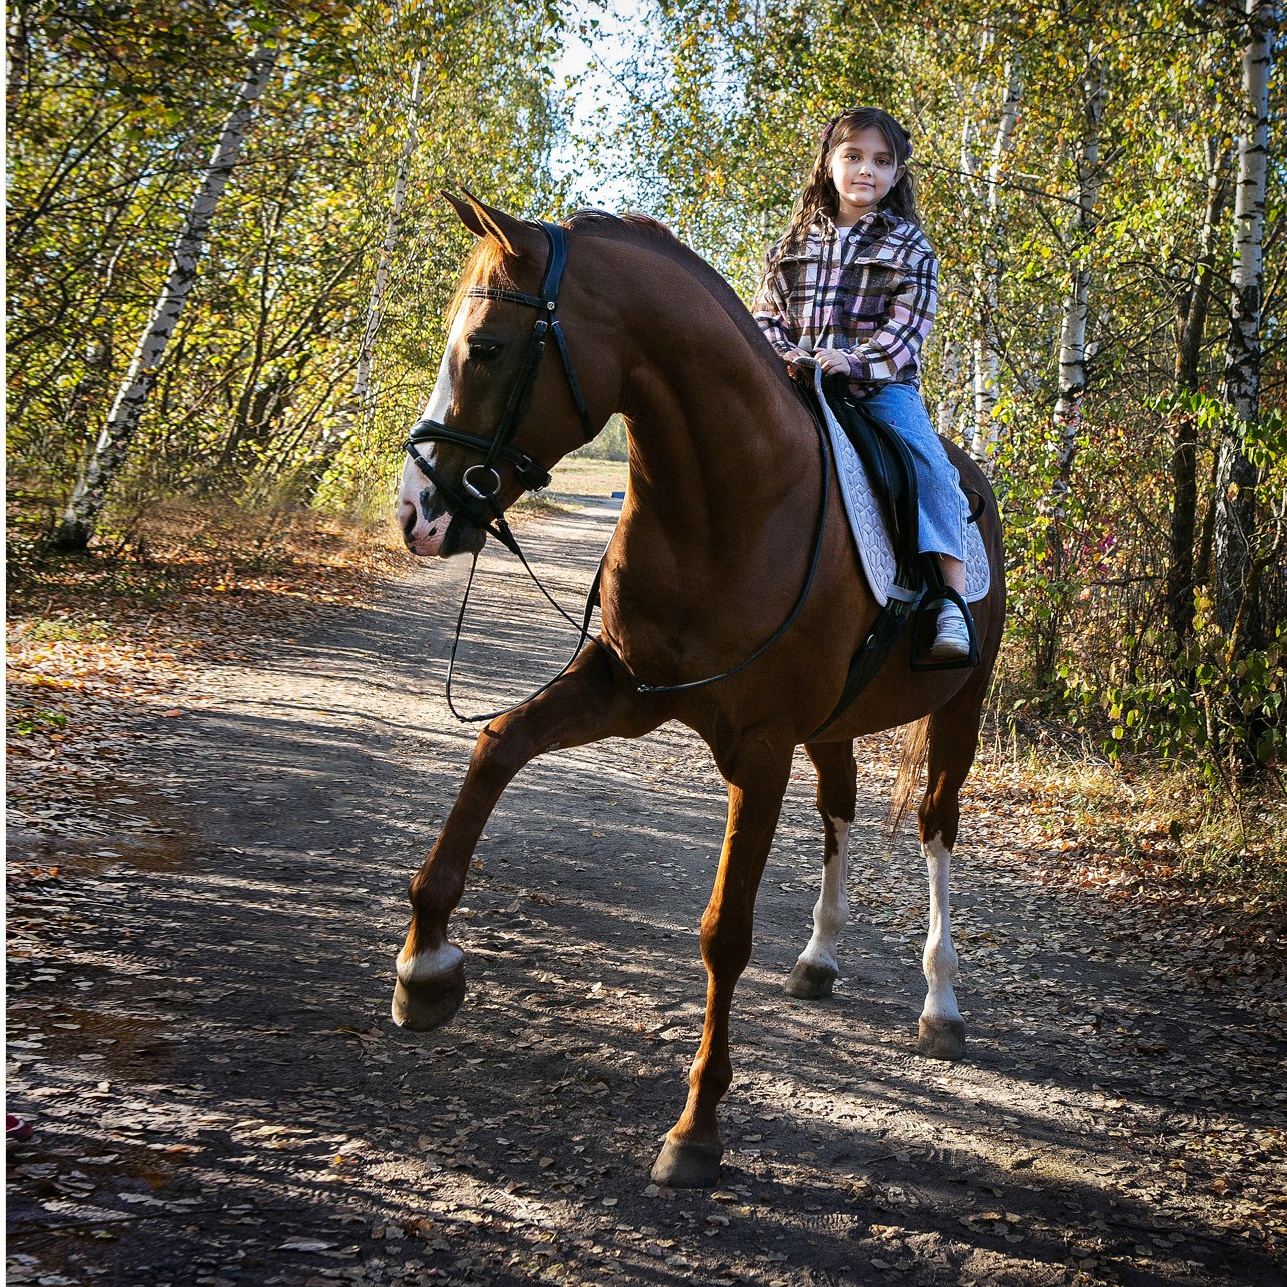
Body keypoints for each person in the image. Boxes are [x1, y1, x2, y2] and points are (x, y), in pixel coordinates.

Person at [752, 105, 972, 660]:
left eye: (881, 161)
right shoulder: (790, 245)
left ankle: (951, 599)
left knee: (930, 465)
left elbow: (906, 333)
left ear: (896, 175)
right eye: (853, 157)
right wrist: (790, 356)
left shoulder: (910, 248)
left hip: (878, 390)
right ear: (829, 164)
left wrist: (852, 362)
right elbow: (764, 320)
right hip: (797, 383)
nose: (865, 171)